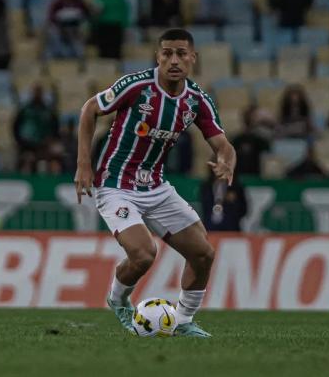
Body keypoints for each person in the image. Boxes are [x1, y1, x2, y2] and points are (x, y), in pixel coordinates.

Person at [74, 29, 236, 337]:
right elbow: (89, 109)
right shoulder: (136, 86)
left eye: (181, 53)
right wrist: (84, 165)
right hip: (116, 184)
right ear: (157, 56)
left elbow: (223, 145)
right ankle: (118, 300)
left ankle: (184, 320)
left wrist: (227, 160)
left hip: (157, 188)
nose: (174, 60)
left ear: (193, 58)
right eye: (167, 53)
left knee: (203, 254)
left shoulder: (197, 101)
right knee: (145, 253)